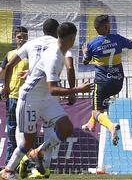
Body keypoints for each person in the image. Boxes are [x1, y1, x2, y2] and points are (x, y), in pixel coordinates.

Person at [0, 22, 92, 180]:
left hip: (45, 98)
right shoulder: (54, 56)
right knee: (29, 139)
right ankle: (7, 171)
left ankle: (38, 152)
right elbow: (53, 89)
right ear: (72, 38)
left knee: (66, 127)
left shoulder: (59, 51)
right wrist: (77, 90)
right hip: (30, 98)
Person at [81, 14, 132, 146]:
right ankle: (91, 124)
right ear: (106, 26)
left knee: (96, 111)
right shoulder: (117, 39)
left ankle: (111, 126)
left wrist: (85, 52)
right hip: (117, 83)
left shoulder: (92, 44)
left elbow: (85, 61)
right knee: (99, 107)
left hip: (102, 83)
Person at [0, 27, 28, 165]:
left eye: (24, 36)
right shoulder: (10, 54)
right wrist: (5, 86)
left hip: (28, 98)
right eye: (19, 37)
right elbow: (2, 72)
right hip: (12, 97)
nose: (22, 39)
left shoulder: (31, 54)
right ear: (14, 38)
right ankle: (9, 164)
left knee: (27, 131)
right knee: (11, 131)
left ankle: (26, 163)